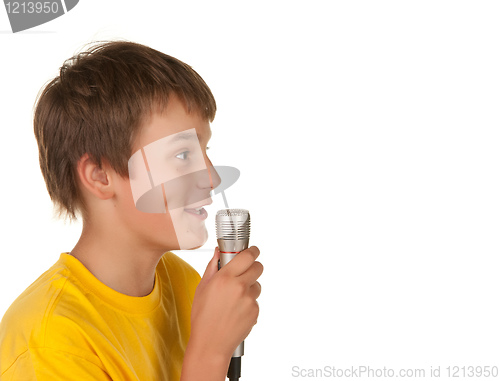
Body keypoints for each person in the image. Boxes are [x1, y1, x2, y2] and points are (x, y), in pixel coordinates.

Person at [0, 41, 263, 381]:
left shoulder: (183, 284)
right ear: (99, 175)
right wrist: (209, 353)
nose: (211, 177)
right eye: (183, 156)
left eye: (204, 151)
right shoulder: (51, 342)